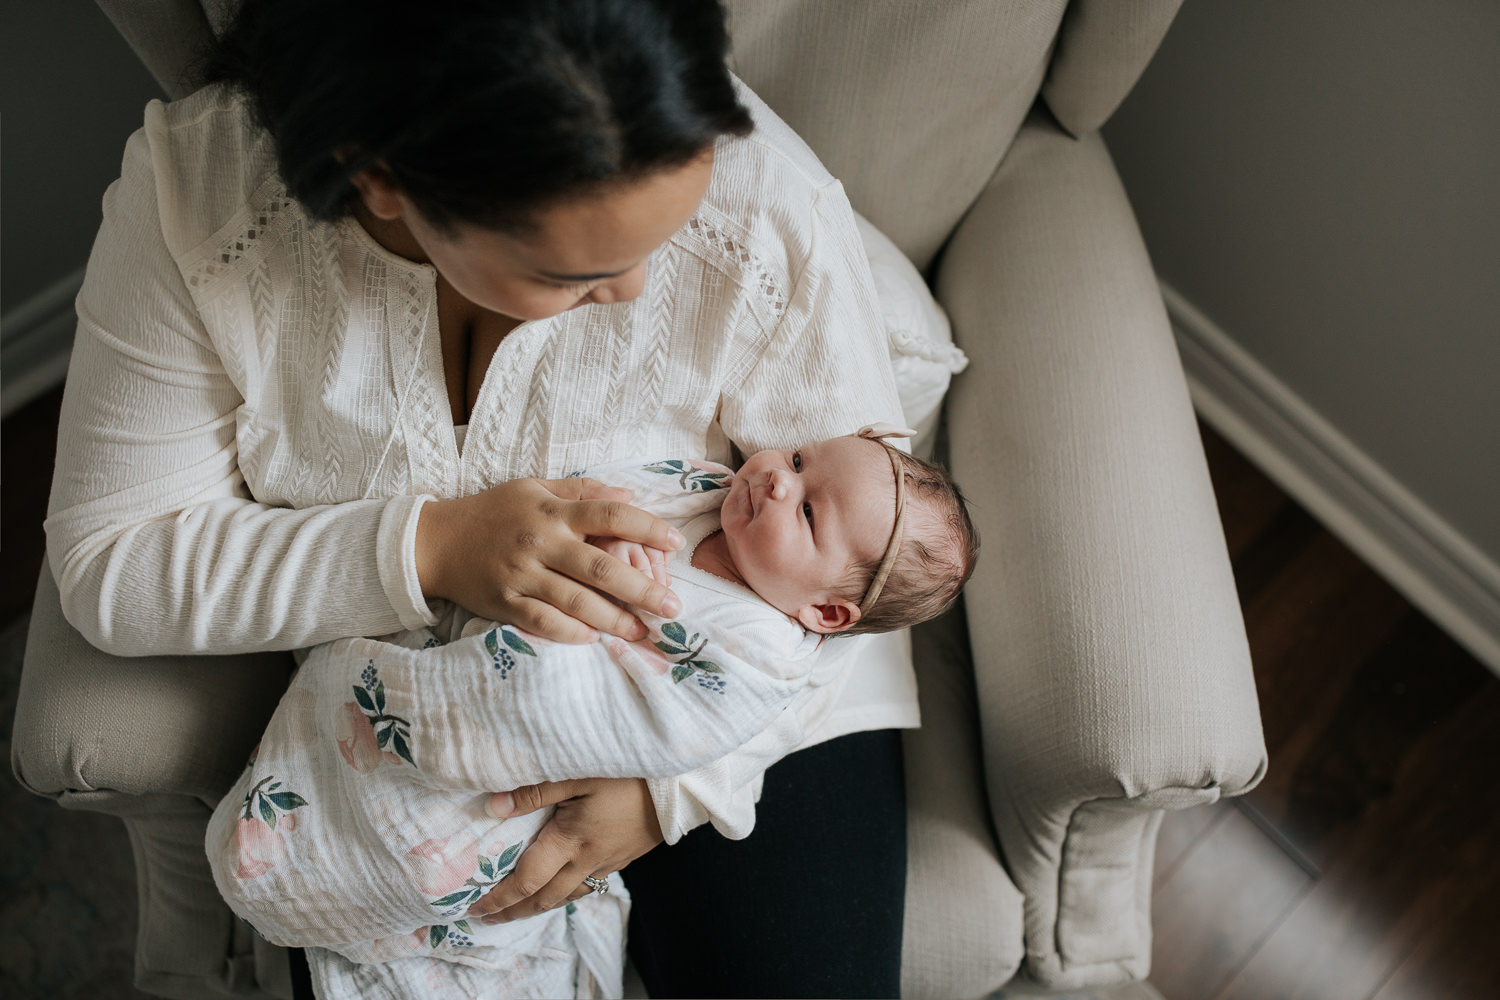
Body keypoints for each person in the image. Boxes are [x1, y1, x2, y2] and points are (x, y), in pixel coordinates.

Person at [45, 1, 935, 995]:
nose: (640, 289)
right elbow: (112, 562)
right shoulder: (198, 214)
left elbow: (860, 557)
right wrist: (427, 548)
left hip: (737, 685)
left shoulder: (770, 211)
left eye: (668, 229)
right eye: (573, 271)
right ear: (380, 179)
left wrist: (674, 786)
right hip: (419, 725)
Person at [204, 426, 978, 999]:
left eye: (808, 513)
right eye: (801, 458)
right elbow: (583, 495)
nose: (779, 480)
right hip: (464, 621)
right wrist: (598, 528)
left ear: (828, 615)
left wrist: (609, 606)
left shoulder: (759, 655)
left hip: (514, 737)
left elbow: (641, 722)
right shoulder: (705, 490)